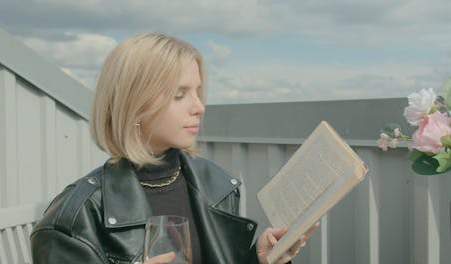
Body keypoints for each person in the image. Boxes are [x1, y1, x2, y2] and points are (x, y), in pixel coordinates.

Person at [30, 32, 318, 264]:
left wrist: (258, 260)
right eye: (179, 95)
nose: (199, 107)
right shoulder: (72, 222)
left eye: (198, 91)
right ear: (134, 104)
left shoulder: (215, 185)